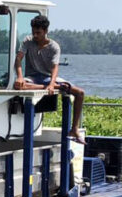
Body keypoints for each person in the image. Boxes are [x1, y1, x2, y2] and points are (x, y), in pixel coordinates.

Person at [14, 15, 87, 143]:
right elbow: (18, 58)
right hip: (32, 78)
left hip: (48, 77)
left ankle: (74, 129)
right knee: (18, 85)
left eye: (38, 33)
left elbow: (54, 68)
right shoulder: (27, 41)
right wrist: (20, 77)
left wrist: (52, 84)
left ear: (46, 31)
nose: (35, 35)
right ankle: (57, 87)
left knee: (80, 93)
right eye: (33, 32)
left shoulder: (54, 46)